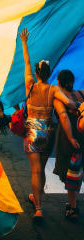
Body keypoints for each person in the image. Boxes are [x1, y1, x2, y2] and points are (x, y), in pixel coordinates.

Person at [19, 28, 77, 219]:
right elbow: (69, 103)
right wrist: (78, 104)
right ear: (50, 73)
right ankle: (37, 200)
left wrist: (24, 43)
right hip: (48, 131)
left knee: (34, 170)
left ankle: (38, 208)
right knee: (41, 169)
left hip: (32, 131)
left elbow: (26, 62)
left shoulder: (30, 84)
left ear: (36, 73)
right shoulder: (53, 89)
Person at [53, 70, 84, 219]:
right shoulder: (81, 94)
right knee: (77, 171)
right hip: (82, 137)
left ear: (59, 82)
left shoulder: (60, 99)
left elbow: (64, 118)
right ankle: (74, 202)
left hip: (69, 140)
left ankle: (73, 208)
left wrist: (71, 138)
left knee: (71, 173)